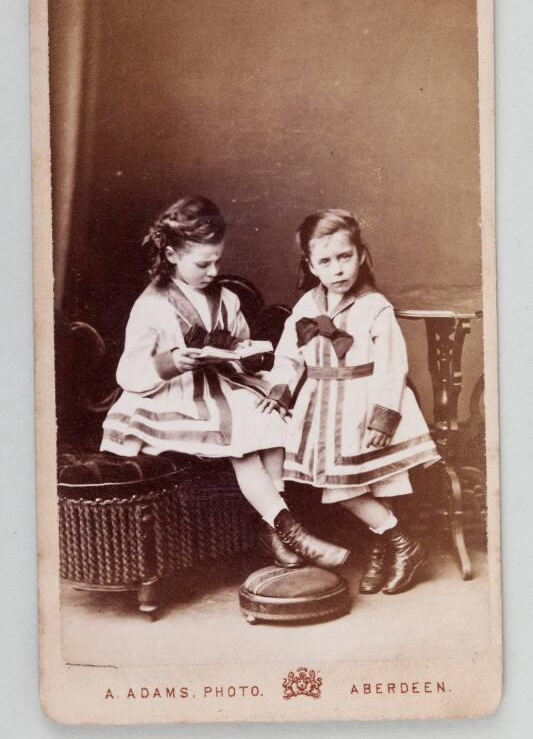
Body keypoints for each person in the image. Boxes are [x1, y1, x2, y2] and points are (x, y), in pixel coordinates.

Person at [101, 196, 349, 570]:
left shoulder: (227, 299)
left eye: (218, 260)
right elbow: (129, 373)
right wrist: (171, 362)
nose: (213, 271)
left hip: (224, 384)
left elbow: (238, 342)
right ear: (171, 255)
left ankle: (271, 531)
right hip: (174, 395)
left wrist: (246, 351)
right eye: (203, 264)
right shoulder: (151, 305)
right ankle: (290, 529)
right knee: (244, 440)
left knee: (268, 418)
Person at [258, 209, 440, 594]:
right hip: (324, 408)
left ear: (361, 255)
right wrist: (279, 390)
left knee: (381, 482)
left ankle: (386, 551)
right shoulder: (307, 306)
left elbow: (392, 367)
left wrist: (383, 417)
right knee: (343, 485)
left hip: (365, 401)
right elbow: (289, 358)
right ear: (311, 265)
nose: (337, 269)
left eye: (345, 257)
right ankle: (402, 543)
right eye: (325, 261)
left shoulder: (376, 307)